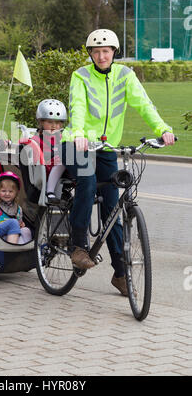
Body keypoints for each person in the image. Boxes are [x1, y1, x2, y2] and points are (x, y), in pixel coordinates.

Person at [61, 28, 175, 296]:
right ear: (90, 54)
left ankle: (121, 274)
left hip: (106, 148)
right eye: (96, 52)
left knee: (113, 207)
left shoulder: (125, 75)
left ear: (114, 52)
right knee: (87, 184)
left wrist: (161, 128)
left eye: (106, 51)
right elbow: (77, 107)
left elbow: (144, 104)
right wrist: (77, 134)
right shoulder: (81, 75)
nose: (101, 56)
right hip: (76, 144)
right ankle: (78, 246)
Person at [31, 99, 67, 203]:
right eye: (50, 122)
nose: (54, 125)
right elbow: (33, 153)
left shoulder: (62, 137)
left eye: (57, 122)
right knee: (62, 160)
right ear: (41, 122)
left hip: (64, 168)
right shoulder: (37, 138)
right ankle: (50, 191)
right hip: (45, 168)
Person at [0, 171, 32, 245]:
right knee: (19, 238)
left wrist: (21, 225)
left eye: (11, 191)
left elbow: (19, 223)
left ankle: (28, 250)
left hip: (14, 235)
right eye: (3, 191)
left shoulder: (18, 209)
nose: (7, 194)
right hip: (1, 237)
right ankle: (16, 250)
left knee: (26, 230)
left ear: (16, 193)